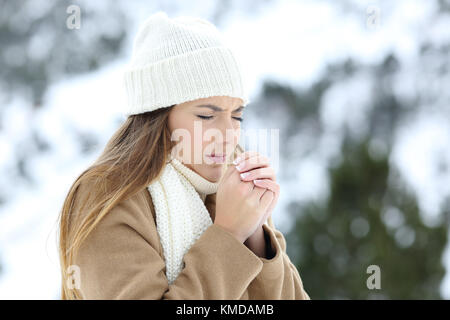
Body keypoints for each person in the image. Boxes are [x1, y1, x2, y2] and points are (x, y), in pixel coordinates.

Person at [57, 11, 310, 300]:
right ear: (157, 118)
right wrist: (228, 235)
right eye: (206, 115)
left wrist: (255, 236)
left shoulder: (232, 186)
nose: (229, 134)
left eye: (237, 116)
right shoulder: (108, 196)